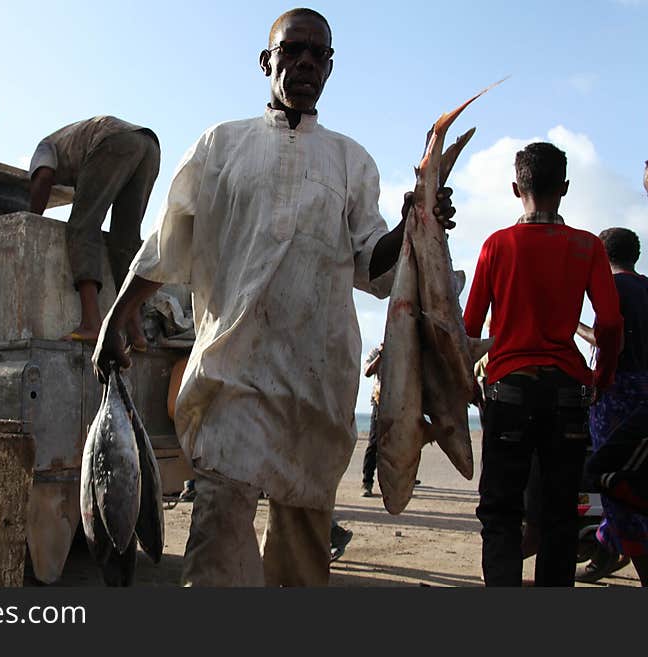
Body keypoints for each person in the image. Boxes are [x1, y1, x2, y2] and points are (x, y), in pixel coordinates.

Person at [93, 8, 455, 587]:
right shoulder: (220, 145)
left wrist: (415, 223)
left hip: (317, 382)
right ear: (268, 60)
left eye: (319, 54)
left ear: (331, 68)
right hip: (230, 375)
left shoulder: (351, 160)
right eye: (293, 50)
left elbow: (372, 262)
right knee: (217, 546)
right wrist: (119, 315)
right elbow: (166, 243)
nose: (306, 62)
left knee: (300, 555)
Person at [463, 142, 623, 587]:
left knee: (500, 510)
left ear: (516, 188)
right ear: (566, 188)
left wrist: (467, 384)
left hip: (508, 390)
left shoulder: (496, 246)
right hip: (569, 393)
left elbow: (470, 330)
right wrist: (600, 378)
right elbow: (609, 322)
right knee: (557, 514)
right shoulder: (587, 246)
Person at [28, 117, 160, 350]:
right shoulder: (77, 150)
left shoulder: (45, 146)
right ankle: (135, 332)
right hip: (148, 145)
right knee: (125, 242)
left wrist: (32, 219)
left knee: (81, 227)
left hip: (112, 139)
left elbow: (44, 177)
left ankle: (91, 323)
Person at [574, 227, 648, 586]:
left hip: (616, 392)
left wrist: (575, 325)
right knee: (636, 481)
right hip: (645, 394)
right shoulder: (646, 286)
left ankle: (613, 545)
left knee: (610, 477)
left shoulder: (612, 289)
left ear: (602, 257)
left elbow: (608, 341)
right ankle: (605, 549)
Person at [361, 344, 383, 497]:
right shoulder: (376, 350)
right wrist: (381, 356)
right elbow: (367, 372)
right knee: (374, 443)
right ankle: (367, 481)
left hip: (400, 402)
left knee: (398, 443)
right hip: (380, 400)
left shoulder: (402, 349)